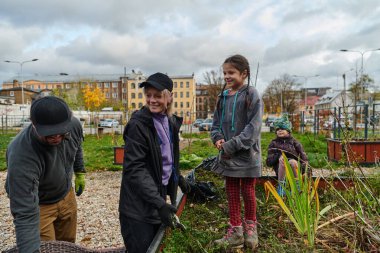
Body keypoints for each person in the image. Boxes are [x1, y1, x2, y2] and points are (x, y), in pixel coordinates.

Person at [119, 72, 191, 253]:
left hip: (156, 202)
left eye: (157, 96)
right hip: (138, 208)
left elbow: (166, 159)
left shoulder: (169, 121)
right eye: (148, 95)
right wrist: (159, 203)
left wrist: (178, 178)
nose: (152, 100)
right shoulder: (139, 125)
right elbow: (136, 169)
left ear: (169, 97)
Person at [5, 96, 86, 253]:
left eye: (61, 132)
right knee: (46, 249)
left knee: (68, 246)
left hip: (66, 195)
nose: (56, 137)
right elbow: (24, 213)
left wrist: (80, 170)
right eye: (50, 133)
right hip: (40, 205)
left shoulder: (73, 125)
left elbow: (77, 147)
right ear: (34, 124)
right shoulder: (21, 154)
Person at [211, 54, 262, 249]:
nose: (226, 76)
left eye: (231, 72)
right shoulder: (222, 98)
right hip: (228, 155)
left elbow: (253, 128)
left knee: (248, 191)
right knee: (231, 191)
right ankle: (236, 231)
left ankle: (250, 228)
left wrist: (232, 144)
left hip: (248, 154)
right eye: (224, 73)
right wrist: (217, 139)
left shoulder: (251, 94)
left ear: (244, 73)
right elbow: (215, 125)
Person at [266, 114, 308, 196]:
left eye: (282, 129)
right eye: (278, 129)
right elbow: (268, 162)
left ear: (288, 131)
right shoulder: (273, 143)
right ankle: (282, 187)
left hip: (295, 169)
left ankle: (297, 186)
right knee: (283, 160)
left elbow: (304, 158)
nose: (280, 131)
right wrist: (278, 156)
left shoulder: (295, 143)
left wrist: (305, 172)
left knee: (292, 161)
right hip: (280, 169)